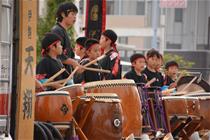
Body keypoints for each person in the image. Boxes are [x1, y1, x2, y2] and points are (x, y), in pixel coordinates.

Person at [51, 2, 80, 74]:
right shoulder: (57, 31)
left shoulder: (63, 31)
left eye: (75, 15)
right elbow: (57, 54)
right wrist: (73, 62)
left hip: (64, 73)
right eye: (72, 14)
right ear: (63, 14)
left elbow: (69, 55)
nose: (75, 17)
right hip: (57, 75)